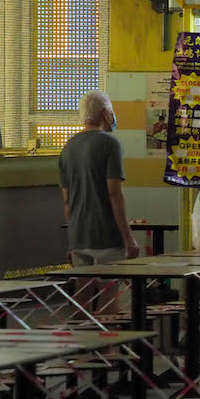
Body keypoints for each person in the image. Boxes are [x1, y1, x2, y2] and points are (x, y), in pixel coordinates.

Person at [59, 90, 140, 314]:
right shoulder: (109, 144)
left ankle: (82, 345)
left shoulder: (68, 147)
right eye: (112, 112)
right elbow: (114, 194)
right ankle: (108, 348)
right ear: (106, 114)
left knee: (82, 294)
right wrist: (128, 237)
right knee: (108, 295)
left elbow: (67, 202)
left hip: (79, 236)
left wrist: (72, 238)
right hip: (106, 236)